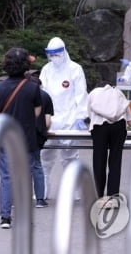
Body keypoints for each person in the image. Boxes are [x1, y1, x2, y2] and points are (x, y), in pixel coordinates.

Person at [0, 48, 43, 228]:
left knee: (6, 177)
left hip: (6, 140)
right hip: (26, 141)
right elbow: (37, 112)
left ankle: (5, 217)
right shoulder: (33, 87)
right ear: (26, 66)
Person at [39, 37, 89, 200]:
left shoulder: (75, 69)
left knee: (70, 157)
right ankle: (42, 189)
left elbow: (81, 94)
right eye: (50, 54)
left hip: (70, 118)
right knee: (45, 156)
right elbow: (41, 93)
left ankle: (73, 190)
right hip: (50, 119)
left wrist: (81, 116)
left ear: (64, 52)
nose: (54, 57)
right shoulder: (46, 69)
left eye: (57, 54)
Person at [87, 81, 131, 204]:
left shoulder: (93, 93)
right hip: (119, 127)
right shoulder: (118, 93)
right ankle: (112, 197)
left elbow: (89, 114)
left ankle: (98, 195)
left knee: (99, 161)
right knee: (115, 162)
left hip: (99, 127)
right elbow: (130, 121)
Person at [27, 73, 53, 208]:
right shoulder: (45, 96)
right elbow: (48, 121)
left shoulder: (23, 93)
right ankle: (40, 199)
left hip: (21, 133)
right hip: (37, 135)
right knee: (37, 165)